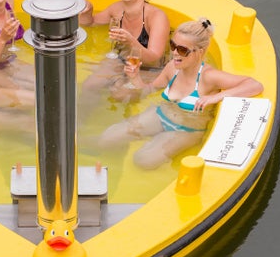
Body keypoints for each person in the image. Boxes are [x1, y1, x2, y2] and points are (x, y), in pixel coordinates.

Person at [98, 18, 264, 170]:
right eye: (173, 46)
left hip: (186, 130)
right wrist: (135, 77)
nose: (175, 53)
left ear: (199, 52)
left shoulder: (208, 77)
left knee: (142, 160)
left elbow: (254, 85)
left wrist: (215, 97)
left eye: (183, 50)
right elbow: (148, 90)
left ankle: (154, 144)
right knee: (107, 138)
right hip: (161, 114)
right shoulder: (172, 67)